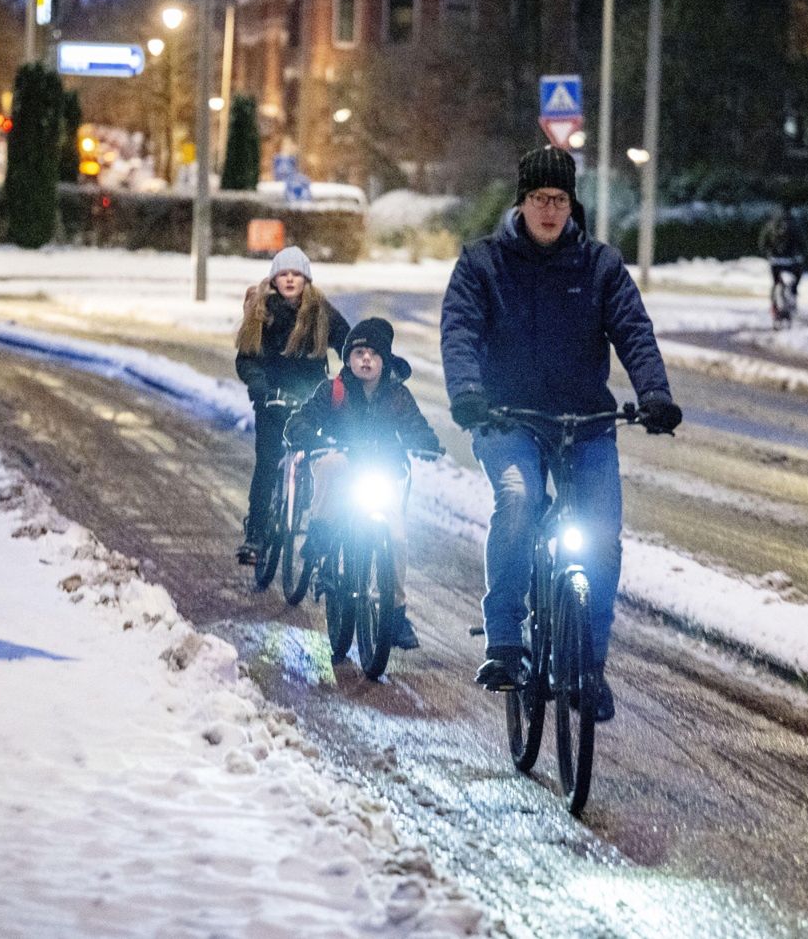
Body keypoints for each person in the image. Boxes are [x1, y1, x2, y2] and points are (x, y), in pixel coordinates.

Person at [441, 145, 682, 722]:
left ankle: (586, 669)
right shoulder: (482, 264)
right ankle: (505, 643)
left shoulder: (600, 266)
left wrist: (655, 396)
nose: (549, 210)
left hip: (586, 423)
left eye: (559, 200)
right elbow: (460, 333)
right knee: (519, 499)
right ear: (520, 203)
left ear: (572, 205)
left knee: (600, 536)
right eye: (538, 199)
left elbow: (635, 333)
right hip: (507, 419)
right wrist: (469, 396)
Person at [284, 317, 443, 651]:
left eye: (373, 353)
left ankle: (396, 614)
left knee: (397, 538)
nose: (366, 360)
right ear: (348, 359)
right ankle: (321, 533)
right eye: (358, 353)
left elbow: (417, 426)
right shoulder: (333, 391)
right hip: (343, 464)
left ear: (384, 360)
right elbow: (303, 418)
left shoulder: (398, 396)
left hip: (381, 471)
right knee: (330, 465)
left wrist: (426, 443)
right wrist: (305, 435)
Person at [235, 245, 351, 565]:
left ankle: (319, 532)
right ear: (274, 279)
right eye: (283, 274)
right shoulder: (262, 311)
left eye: (295, 274)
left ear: (305, 279)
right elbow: (246, 358)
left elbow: (348, 343)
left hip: (311, 404)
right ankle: (256, 534)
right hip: (272, 402)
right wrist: (259, 386)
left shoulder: (320, 311)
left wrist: (353, 372)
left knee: (324, 462)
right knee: (268, 464)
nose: (289, 279)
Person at [757, 202, 807, 301]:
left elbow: (762, 242)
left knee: (775, 283)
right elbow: (803, 243)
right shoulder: (795, 224)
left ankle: (773, 306)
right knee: (796, 278)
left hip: (774, 260)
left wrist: (767, 254)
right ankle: (793, 292)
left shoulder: (770, 224)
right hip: (791, 261)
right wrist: (802, 254)